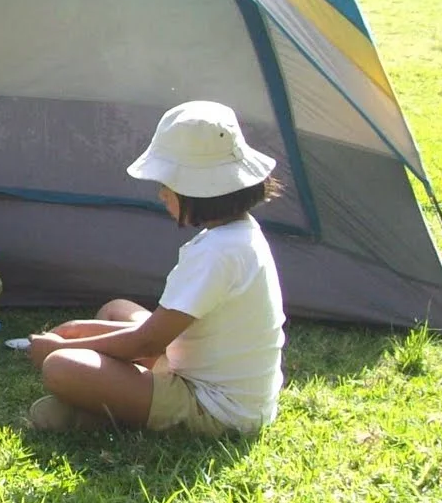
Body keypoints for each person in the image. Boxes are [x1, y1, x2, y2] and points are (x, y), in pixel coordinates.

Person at [24, 100, 285, 436]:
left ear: (198, 190)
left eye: (168, 185)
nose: (162, 194)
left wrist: (62, 348)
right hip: (196, 371)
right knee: (116, 310)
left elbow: (148, 344)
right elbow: (160, 338)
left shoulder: (217, 254)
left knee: (60, 367)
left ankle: (104, 410)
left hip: (217, 408)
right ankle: (103, 407)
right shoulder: (237, 233)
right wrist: (80, 329)